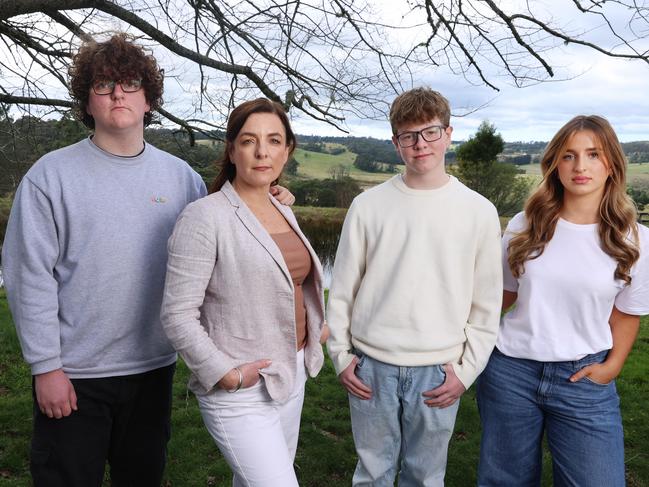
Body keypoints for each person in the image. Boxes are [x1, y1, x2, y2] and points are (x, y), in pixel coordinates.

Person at [1, 34, 293, 487]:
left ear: (149, 98)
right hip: (76, 376)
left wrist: (268, 197)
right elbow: (29, 278)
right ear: (86, 100)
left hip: (152, 371)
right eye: (103, 84)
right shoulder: (50, 177)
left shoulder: (181, 178)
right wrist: (46, 368)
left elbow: (225, 230)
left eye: (130, 83)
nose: (118, 92)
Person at [326, 87, 503, 486]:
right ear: (395, 142)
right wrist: (340, 354)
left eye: (430, 132)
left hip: (438, 372)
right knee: (372, 473)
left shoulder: (478, 211)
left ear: (449, 133)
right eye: (409, 135)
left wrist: (466, 370)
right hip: (372, 366)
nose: (420, 144)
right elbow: (342, 291)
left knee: (425, 477)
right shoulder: (368, 205)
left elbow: (486, 304)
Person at [160, 97, 326, 487]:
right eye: (249, 141)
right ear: (232, 150)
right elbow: (177, 314)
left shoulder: (282, 207)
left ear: (287, 151)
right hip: (241, 388)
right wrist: (225, 374)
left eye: (273, 140)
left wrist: (317, 325)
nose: (262, 151)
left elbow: (291, 280)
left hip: (291, 373)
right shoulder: (204, 217)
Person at [476, 115, 649, 487]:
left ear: (612, 164)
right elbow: (500, 295)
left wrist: (612, 366)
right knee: (505, 481)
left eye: (593, 154)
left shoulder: (636, 240)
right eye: (569, 156)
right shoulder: (527, 224)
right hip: (510, 372)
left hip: (584, 378)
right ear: (555, 164)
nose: (580, 166)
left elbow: (626, 313)